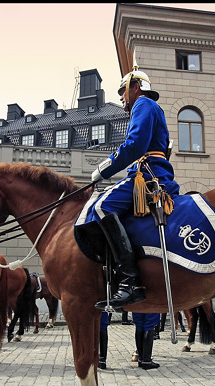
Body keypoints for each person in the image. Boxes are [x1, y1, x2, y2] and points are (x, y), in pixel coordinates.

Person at [75, 66, 178, 310]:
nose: (122, 96)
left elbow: (134, 145)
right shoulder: (153, 109)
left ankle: (130, 282)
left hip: (148, 174)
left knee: (101, 207)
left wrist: (103, 168)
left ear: (136, 87)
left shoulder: (143, 104)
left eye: (123, 91)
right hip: (153, 171)